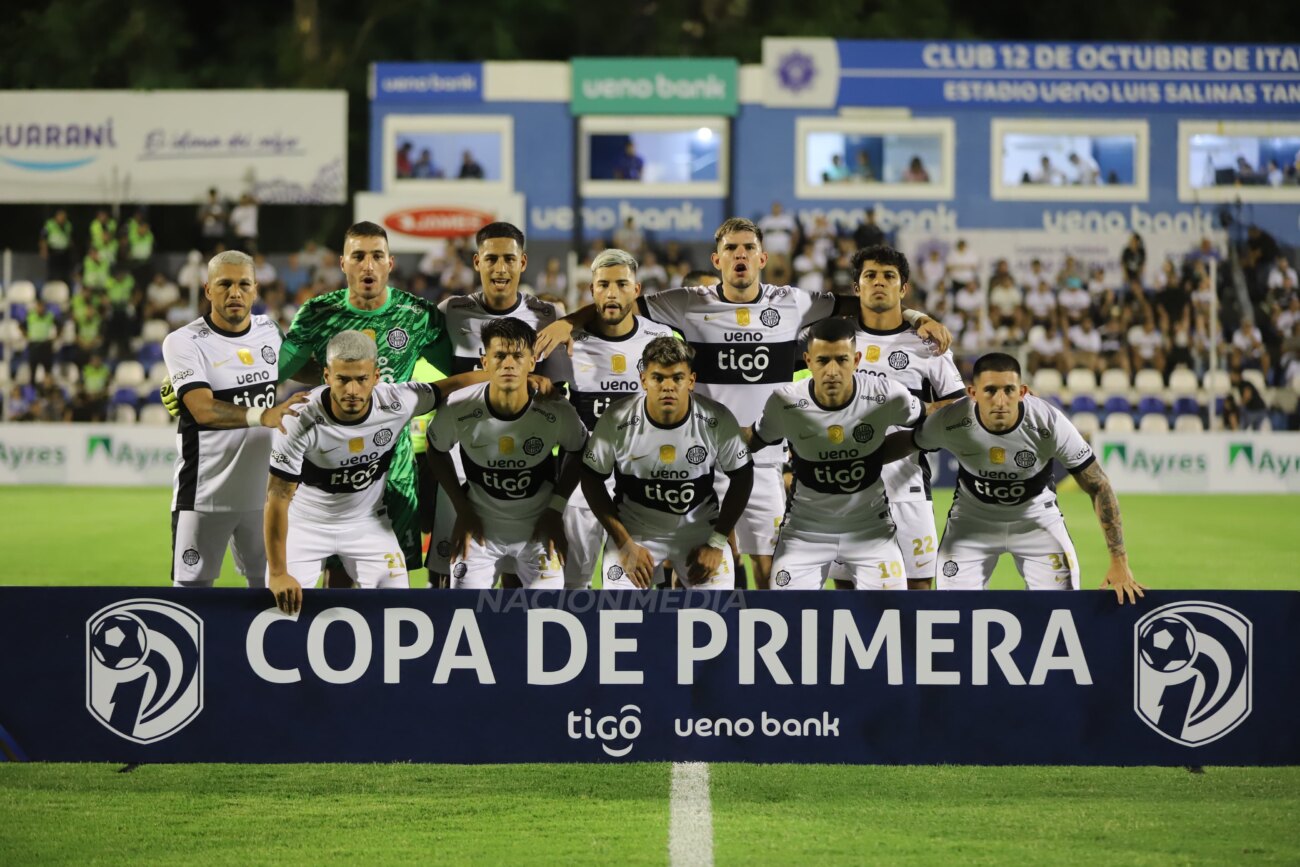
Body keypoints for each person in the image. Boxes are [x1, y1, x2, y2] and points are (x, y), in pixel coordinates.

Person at [537, 217, 950, 589]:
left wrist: (916, 318)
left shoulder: (792, 302)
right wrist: (568, 321)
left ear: (762, 257)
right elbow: (618, 304)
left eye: (748, 248)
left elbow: (864, 302)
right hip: (703, 459)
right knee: (703, 566)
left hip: (765, 459)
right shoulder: (688, 302)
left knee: (768, 571)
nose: (740, 255)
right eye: (731, 249)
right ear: (717, 259)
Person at [879, 353, 1145, 603]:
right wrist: (858, 459)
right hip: (972, 523)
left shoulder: (1048, 423)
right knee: (954, 613)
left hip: (1037, 522)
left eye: (1009, 390)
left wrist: (1119, 561)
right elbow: (908, 441)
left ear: (1023, 392)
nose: (1000, 400)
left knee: (1060, 613)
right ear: (972, 393)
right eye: (990, 390)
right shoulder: (952, 420)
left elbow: (1098, 485)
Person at [264, 331, 479, 614]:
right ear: (327, 376)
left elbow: (452, 385)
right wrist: (279, 573)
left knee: (398, 610)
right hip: (306, 525)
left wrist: (516, 379)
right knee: (280, 610)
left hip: (367, 525)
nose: (352, 390)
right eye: (342, 379)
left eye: (361, 379)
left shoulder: (397, 401)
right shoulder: (298, 418)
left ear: (376, 377)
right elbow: (277, 498)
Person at [428, 222, 570, 583]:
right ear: (477, 262)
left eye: (509, 258)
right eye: (491, 259)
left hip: (523, 458)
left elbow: (557, 391)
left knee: (516, 575)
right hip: (461, 454)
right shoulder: (451, 312)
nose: (500, 268)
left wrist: (540, 383)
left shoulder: (546, 314)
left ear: (523, 262)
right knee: (449, 572)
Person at [162, 251, 310, 589]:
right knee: (192, 599)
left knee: (269, 592)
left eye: (244, 284)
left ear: (256, 290)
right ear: (207, 291)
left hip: (266, 497)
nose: (235, 293)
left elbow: (308, 372)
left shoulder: (268, 329)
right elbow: (202, 408)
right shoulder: (183, 341)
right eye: (224, 284)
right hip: (204, 495)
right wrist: (263, 415)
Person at [748, 317, 923, 590]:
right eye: (822, 361)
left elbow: (930, 421)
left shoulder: (886, 394)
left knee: (890, 618)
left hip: (871, 532)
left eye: (841, 360)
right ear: (808, 361)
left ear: (856, 360)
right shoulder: (785, 402)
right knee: (787, 618)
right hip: (805, 533)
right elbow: (752, 440)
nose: (832, 371)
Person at [426, 319, 587, 590]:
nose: (509, 364)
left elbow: (580, 449)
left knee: (547, 619)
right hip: (478, 532)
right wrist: (462, 510)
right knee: (464, 616)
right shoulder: (459, 407)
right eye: (499, 355)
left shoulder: (556, 410)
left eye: (518, 356)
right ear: (484, 361)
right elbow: (436, 448)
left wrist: (555, 510)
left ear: (532, 362)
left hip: (538, 530)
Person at [582, 336, 752, 590]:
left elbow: (743, 476)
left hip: (698, 531)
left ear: (691, 381)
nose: (668, 387)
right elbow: (591, 479)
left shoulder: (717, 419)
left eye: (677, 378)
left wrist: (717, 541)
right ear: (643, 380)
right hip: (635, 531)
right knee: (618, 613)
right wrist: (624, 544)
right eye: (658, 378)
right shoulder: (616, 419)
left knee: (716, 616)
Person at [849, 246, 966, 588]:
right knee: (848, 593)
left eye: (889, 276)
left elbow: (959, 413)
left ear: (903, 288)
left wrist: (927, 424)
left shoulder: (928, 346)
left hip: (907, 486)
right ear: (856, 287)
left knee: (919, 589)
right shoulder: (838, 342)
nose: (879, 283)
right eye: (870, 276)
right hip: (844, 488)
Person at [561, 249, 675, 588]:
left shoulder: (661, 340)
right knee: (570, 590)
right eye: (603, 285)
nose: (612, 293)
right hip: (581, 490)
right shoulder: (569, 344)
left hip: (641, 490)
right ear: (591, 291)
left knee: (632, 596)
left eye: (622, 284)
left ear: (636, 290)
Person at [39, 209, 74, 283]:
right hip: (53, 252)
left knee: (65, 273)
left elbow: (70, 238)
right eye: (61, 217)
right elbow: (43, 238)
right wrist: (43, 250)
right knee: (52, 273)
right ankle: (51, 288)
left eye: (64, 217)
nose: (62, 219)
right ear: (56, 216)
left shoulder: (68, 225)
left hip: (65, 252)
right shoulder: (49, 224)